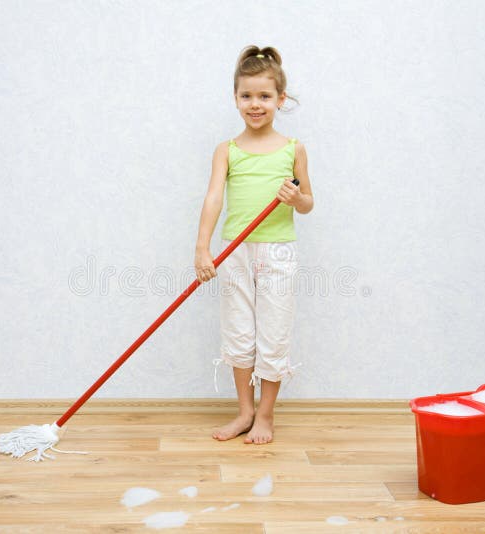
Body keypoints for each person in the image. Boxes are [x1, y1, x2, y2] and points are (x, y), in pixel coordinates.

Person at [194, 45, 314, 444]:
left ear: (281, 99)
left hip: (277, 251)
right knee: (239, 331)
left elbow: (308, 203)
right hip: (234, 250)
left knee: (273, 333)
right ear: (235, 98)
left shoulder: (293, 148)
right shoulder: (226, 150)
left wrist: (296, 200)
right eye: (246, 95)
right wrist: (202, 249)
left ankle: (266, 415)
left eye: (264, 96)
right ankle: (244, 411)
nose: (255, 104)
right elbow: (213, 199)